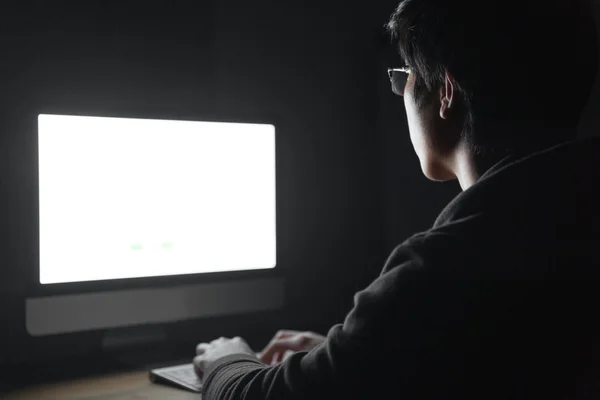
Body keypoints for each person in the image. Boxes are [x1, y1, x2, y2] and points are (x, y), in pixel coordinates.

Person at [193, 0, 600, 398]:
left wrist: (226, 358)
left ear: (445, 93)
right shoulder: (571, 223)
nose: (400, 90)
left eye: (403, 76)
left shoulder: (444, 268)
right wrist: (358, 356)